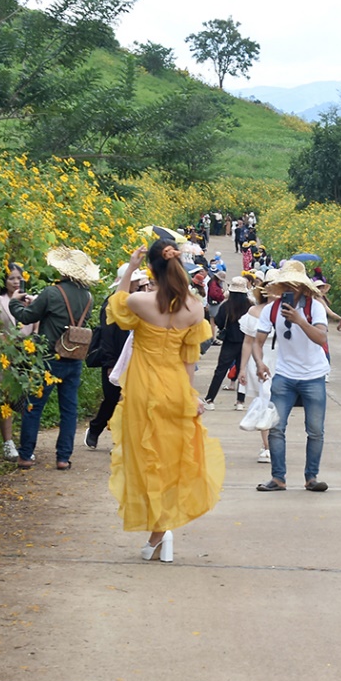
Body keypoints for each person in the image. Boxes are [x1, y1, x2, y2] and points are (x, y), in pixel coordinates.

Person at [103, 238, 224, 563]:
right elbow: (189, 359)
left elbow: (117, 305)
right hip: (175, 388)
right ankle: (161, 531)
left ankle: (159, 530)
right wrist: (191, 396)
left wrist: (130, 266)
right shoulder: (195, 308)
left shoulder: (143, 302)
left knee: (144, 459)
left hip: (144, 389)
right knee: (173, 459)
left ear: (153, 267)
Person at [9, 247, 99, 470]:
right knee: (69, 409)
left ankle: (26, 455)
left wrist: (15, 302)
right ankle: (63, 457)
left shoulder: (52, 292)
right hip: (74, 357)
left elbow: (27, 316)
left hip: (48, 358)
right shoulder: (89, 297)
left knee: (34, 405)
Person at [254, 261, 331, 493]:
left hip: (314, 375)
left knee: (315, 429)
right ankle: (278, 478)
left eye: (294, 284)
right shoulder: (272, 309)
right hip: (285, 375)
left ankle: (311, 477)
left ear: (303, 287)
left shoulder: (315, 308)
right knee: (276, 427)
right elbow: (258, 341)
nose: (290, 288)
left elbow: (321, 338)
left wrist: (300, 320)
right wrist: (259, 362)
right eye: (286, 284)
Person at [83, 263, 145, 450]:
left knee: (130, 399)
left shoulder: (136, 301)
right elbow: (107, 336)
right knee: (111, 397)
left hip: (133, 356)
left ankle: (123, 439)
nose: (136, 284)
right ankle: (95, 429)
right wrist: (110, 362)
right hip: (114, 357)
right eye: (133, 280)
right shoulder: (112, 303)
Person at [0, 262, 36, 461]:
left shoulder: (30, 300)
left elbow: (36, 323)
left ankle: (25, 443)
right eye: (11, 278)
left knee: (26, 399)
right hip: (4, 355)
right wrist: (1, 339)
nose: (15, 281)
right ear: (5, 281)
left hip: (25, 354)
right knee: (6, 399)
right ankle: (8, 442)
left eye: (19, 278)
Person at [238, 269, 278, 462]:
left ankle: (277, 442)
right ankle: (267, 446)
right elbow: (248, 341)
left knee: (279, 404)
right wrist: (243, 368)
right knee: (265, 400)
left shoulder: (289, 311)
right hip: (261, 360)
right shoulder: (254, 312)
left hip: (283, 361)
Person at [203, 278, 252, 409]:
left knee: (220, 370)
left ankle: (210, 399)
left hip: (230, 341)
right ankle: (240, 402)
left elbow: (218, 321)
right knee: (243, 370)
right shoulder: (250, 306)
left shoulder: (226, 305)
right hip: (246, 342)